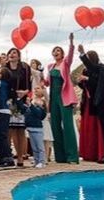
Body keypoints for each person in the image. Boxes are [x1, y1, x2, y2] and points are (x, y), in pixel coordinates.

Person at [44, 33, 78, 164]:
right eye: (54, 51)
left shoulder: (65, 64)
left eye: (58, 50)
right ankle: (60, 156)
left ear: (62, 54)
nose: (55, 52)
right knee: (55, 126)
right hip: (53, 98)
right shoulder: (50, 66)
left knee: (68, 126)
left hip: (64, 97)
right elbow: (47, 82)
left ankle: (72, 156)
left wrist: (71, 43)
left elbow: (70, 55)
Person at [5, 48, 32, 167]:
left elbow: (28, 85)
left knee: (20, 130)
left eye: (14, 52)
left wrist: (25, 92)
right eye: (10, 53)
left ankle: (20, 156)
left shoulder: (24, 68)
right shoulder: (5, 68)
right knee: (9, 130)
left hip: (20, 100)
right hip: (7, 101)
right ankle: (7, 156)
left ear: (19, 56)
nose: (12, 54)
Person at [17, 91, 47, 168]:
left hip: (37, 130)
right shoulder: (29, 108)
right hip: (30, 129)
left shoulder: (40, 110)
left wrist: (30, 105)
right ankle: (37, 161)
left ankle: (42, 161)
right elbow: (21, 106)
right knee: (34, 147)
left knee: (39, 147)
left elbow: (37, 113)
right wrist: (19, 98)